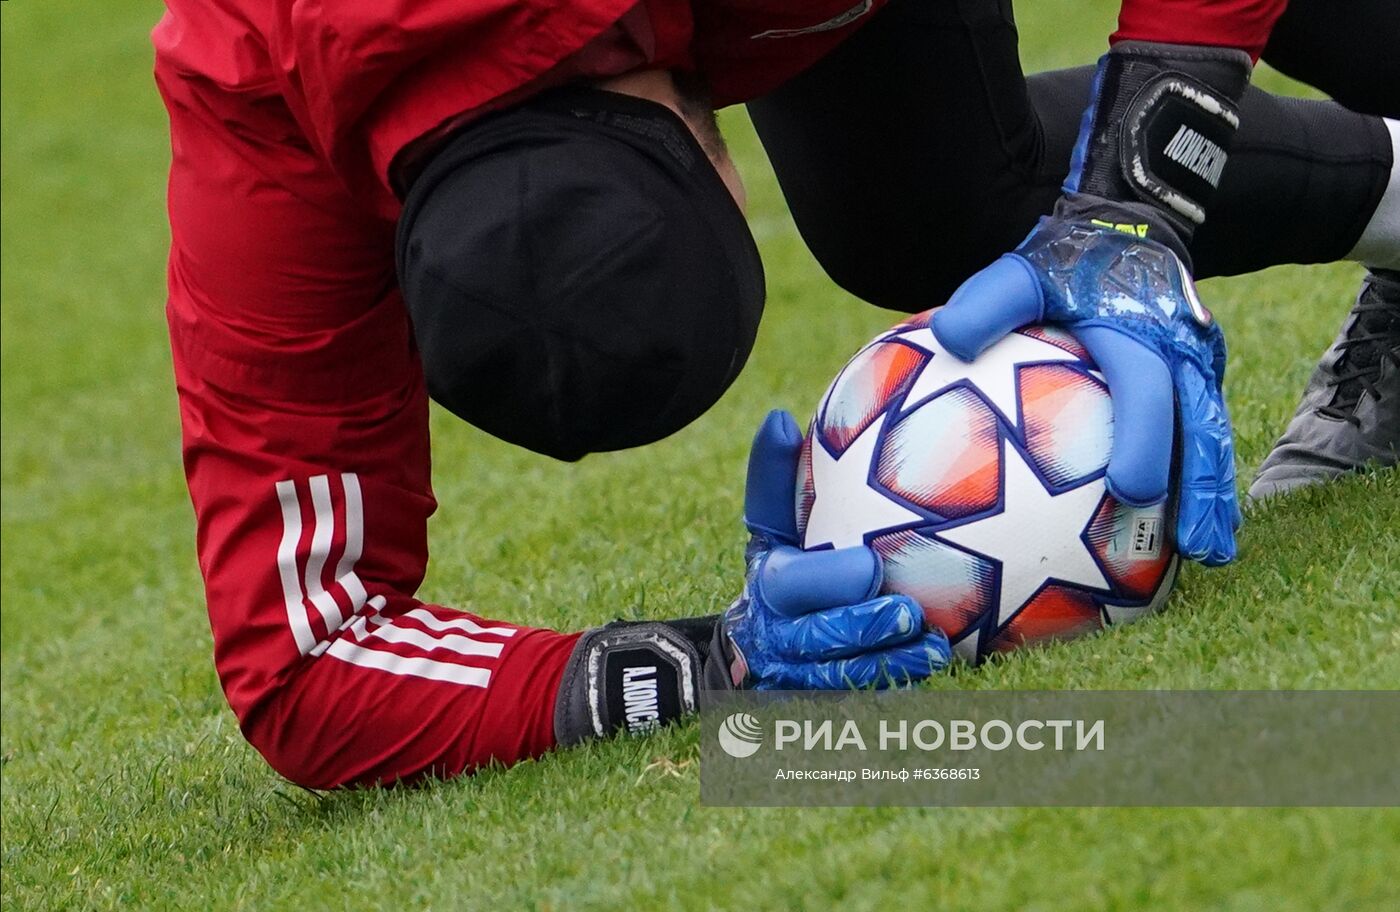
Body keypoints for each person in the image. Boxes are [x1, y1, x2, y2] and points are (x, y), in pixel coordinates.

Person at [153, 0, 1397, 788]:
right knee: (927, 213)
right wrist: (714, 665)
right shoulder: (251, 90)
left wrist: (1140, 201)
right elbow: (311, 662)